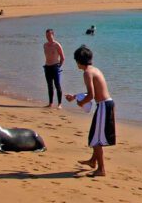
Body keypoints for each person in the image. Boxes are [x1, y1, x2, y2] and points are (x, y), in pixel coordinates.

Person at [65, 45, 114, 177]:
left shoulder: (87, 73)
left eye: (76, 61)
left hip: (104, 105)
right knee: (95, 135)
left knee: (96, 139)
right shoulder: (94, 69)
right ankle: (93, 161)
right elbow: (92, 92)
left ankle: (101, 169)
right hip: (106, 104)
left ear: (79, 61)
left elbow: (91, 95)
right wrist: (75, 96)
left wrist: (80, 103)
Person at [43, 29, 65, 108]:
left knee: (57, 85)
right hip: (47, 67)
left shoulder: (57, 45)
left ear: (53, 35)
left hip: (55, 67)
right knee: (49, 85)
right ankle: (50, 103)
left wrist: (59, 66)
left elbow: (63, 57)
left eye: (49, 35)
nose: (48, 37)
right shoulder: (45, 45)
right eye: (46, 36)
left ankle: (59, 104)